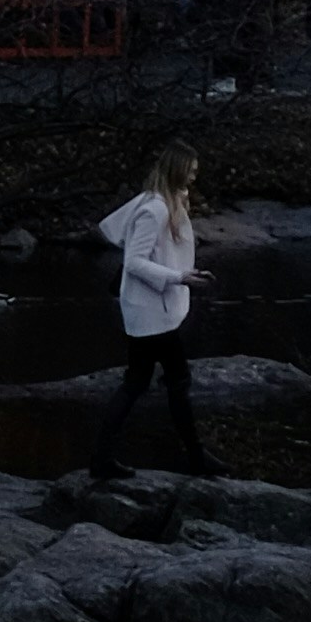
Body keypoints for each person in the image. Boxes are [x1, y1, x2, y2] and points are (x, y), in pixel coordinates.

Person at [93, 152, 208, 477]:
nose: (193, 177)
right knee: (172, 382)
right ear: (177, 170)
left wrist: (185, 274)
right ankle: (196, 458)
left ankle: (101, 459)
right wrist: (180, 277)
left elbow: (158, 255)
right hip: (150, 313)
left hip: (151, 311)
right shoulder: (154, 209)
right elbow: (134, 262)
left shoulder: (162, 203)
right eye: (190, 171)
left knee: (141, 382)